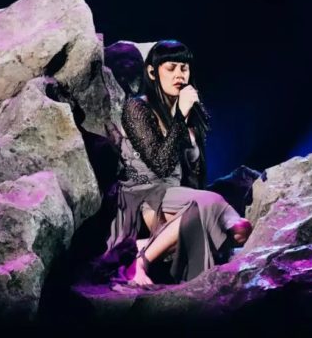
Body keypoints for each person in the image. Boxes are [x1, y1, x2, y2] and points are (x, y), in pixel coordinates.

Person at [104, 40, 253, 287]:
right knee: (215, 206)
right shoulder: (137, 108)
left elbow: (195, 174)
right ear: (152, 72)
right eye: (171, 68)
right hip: (145, 197)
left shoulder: (193, 114)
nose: (179, 75)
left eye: (184, 68)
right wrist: (180, 117)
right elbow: (160, 165)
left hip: (179, 197)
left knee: (233, 228)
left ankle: (145, 247)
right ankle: (139, 261)